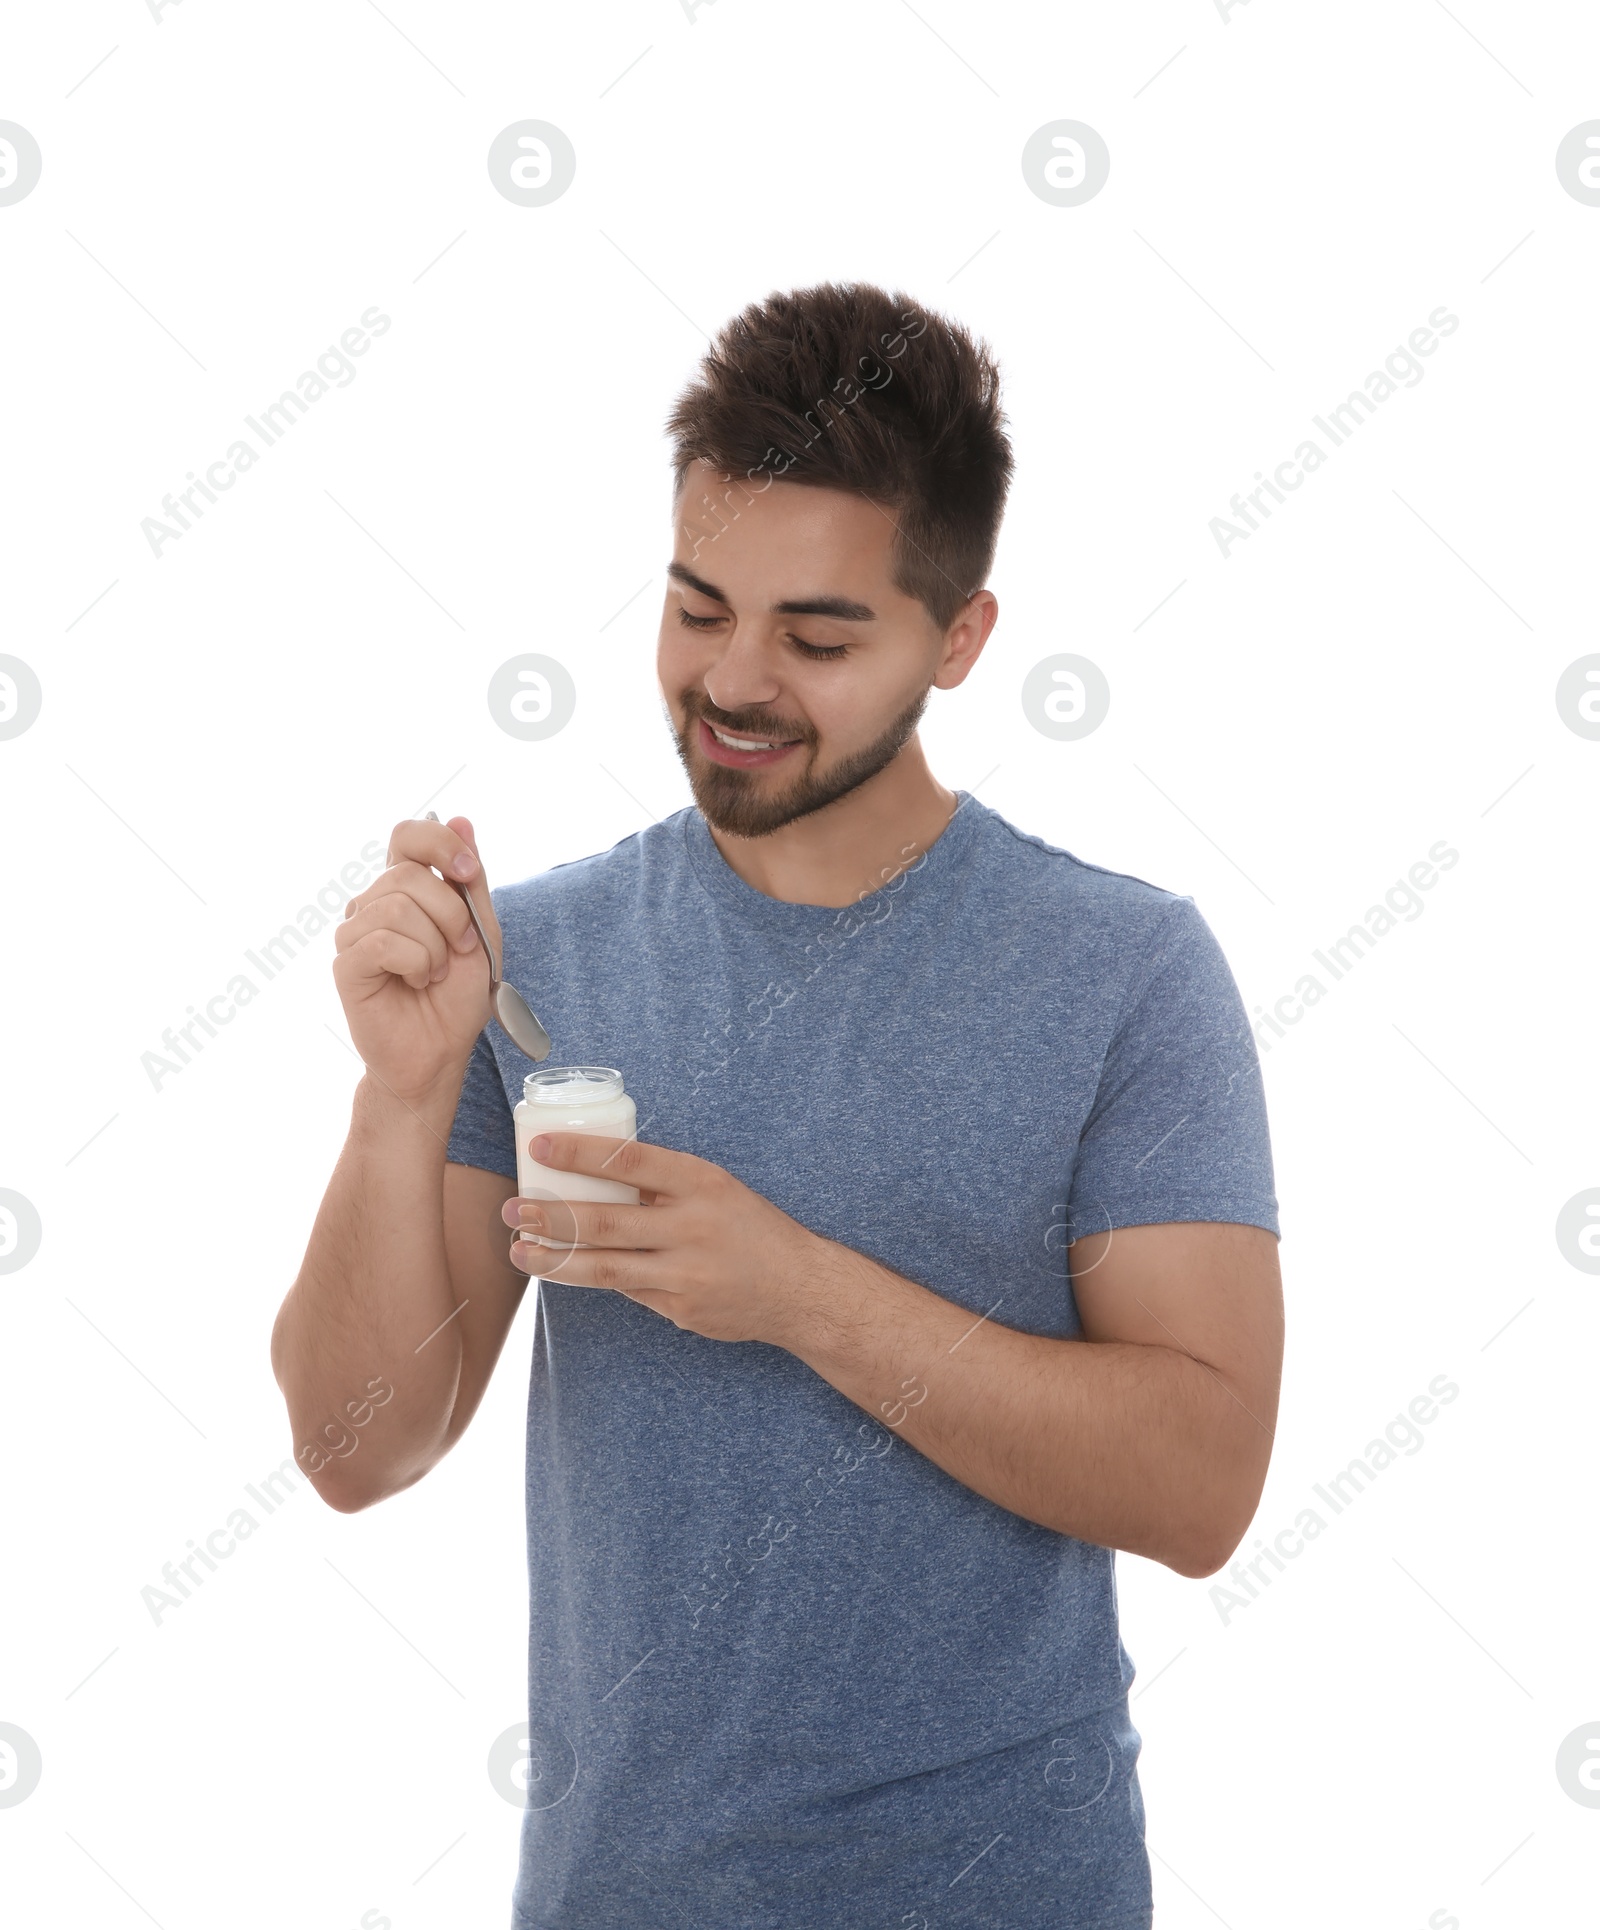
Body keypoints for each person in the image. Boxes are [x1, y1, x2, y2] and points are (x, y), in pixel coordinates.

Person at [271, 280, 1283, 1930]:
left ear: (958, 640)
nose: (733, 680)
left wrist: (796, 1291)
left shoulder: (1125, 970)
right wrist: (400, 1099)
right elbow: (351, 1447)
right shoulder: (540, 960)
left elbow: (1202, 1484)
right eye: (695, 606)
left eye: (816, 637)